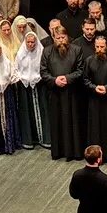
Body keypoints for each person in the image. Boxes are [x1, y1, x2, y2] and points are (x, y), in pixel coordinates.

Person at [39, 26, 85, 160]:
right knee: (57, 122)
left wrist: (67, 78)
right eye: (58, 38)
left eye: (63, 37)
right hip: (55, 93)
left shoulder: (76, 50)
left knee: (73, 123)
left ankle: (74, 152)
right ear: (54, 38)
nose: (61, 41)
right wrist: (55, 80)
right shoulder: (47, 51)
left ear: (67, 37)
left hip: (72, 93)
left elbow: (80, 70)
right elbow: (43, 71)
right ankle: (58, 152)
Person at [14, 30, 51, 150]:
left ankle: (45, 138)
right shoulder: (20, 54)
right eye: (28, 42)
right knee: (27, 111)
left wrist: (37, 78)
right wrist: (23, 79)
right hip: (25, 86)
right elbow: (16, 69)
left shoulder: (41, 52)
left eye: (33, 42)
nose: (30, 44)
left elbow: (44, 68)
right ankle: (30, 139)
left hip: (39, 85)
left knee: (43, 110)